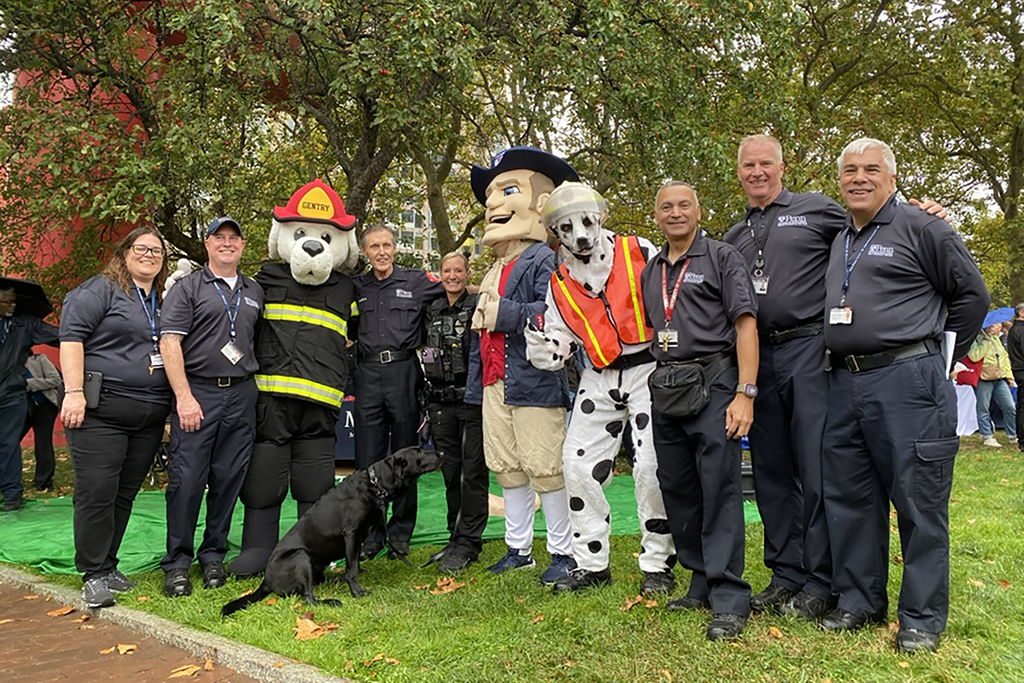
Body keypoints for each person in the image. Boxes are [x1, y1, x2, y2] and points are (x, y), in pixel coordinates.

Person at [821, 138, 988, 653]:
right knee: (851, 498)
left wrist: (935, 356)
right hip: (844, 381)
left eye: (872, 169)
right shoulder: (840, 238)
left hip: (907, 380)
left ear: (891, 178)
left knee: (919, 502)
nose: (859, 178)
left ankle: (919, 618)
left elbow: (972, 296)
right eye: (849, 170)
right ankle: (859, 600)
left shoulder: (924, 227)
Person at [524, 182, 675, 596]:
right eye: (567, 228)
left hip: (648, 367)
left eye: (586, 223)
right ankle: (591, 563)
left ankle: (658, 562)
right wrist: (542, 347)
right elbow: (559, 341)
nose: (581, 236)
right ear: (557, 233)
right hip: (599, 373)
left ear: (600, 219)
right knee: (576, 465)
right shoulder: (558, 283)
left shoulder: (639, 251)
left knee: (650, 467)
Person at [721, 134, 847, 619]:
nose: (757, 172)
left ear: (781, 167)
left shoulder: (817, 210)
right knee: (771, 471)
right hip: (757, 358)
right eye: (748, 165)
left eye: (765, 163)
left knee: (813, 468)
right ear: (739, 173)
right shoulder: (732, 237)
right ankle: (786, 573)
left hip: (810, 348)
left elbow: (873, 225)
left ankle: (821, 578)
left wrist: (921, 213)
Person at [640, 181, 758, 641]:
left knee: (719, 489)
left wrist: (745, 393)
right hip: (668, 386)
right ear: (656, 216)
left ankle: (730, 597)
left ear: (698, 210)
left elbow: (745, 324)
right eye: (665, 206)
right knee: (679, 487)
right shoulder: (652, 270)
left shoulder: (722, 257)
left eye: (683, 205)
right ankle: (701, 580)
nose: (674, 213)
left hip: (715, 383)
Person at [229, 180, 360, 578]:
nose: (312, 244)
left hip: (320, 407)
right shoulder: (264, 281)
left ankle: (311, 553)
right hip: (271, 404)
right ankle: (258, 548)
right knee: (264, 481)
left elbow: (360, 330)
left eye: (324, 236)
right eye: (300, 233)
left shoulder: (347, 289)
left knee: (314, 486)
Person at [467, 146, 578, 585]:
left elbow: (557, 313)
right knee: (508, 468)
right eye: (491, 194)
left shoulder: (542, 259)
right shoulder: (496, 266)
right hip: (496, 384)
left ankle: (562, 552)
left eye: (506, 190)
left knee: (546, 468)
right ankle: (518, 548)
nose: (492, 203)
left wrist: (505, 314)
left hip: (533, 381)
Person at [58, 226, 172, 607]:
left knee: (124, 493)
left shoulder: (161, 298)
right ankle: (92, 573)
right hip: (100, 411)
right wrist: (73, 393)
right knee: (97, 492)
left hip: (149, 414)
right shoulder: (99, 290)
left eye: (156, 251)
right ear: (125, 252)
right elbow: (71, 338)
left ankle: (108, 564)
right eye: (141, 248)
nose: (149, 255)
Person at [158, 216, 264, 598]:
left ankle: (213, 554)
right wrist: (183, 397)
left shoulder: (254, 290)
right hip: (198, 392)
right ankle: (178, 562)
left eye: (234, 238)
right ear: (206, 244)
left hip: (241, 394)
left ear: (242, 246)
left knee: (228, 479)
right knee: (187, 481)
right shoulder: (187, 288)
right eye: (219, 237)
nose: (227, 243)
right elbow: (169, 343)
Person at [352, 224, 443, 560]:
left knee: (406, 454)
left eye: (387, 245)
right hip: (367, 373)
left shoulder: (416, 281)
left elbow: (452, 289)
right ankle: (371, 534)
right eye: (374, 247)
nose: (381, 252)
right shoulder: (356, 286)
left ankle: (400, 533)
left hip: (404, 372)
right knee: (368, 458)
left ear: (395, 247)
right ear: (365, 251)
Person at [420, 251, 489, 573]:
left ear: (466, 273)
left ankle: (469, 541)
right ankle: (454, 536)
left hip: (470, 400)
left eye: (458, 271)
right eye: (447, 271)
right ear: (440, 273)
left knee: (472, 472)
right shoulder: (430, 309)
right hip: (439, 401)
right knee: (449, 472)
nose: (452, 276)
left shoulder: (475, 306)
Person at [0, 283, 59, 512]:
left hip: (12, 395)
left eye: (15, 301)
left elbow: (61, 336)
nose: (13, 305)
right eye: (8, 301)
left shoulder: (26, 323)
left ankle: (13, 494)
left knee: (7, 443)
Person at [968, 322, 1017, 447]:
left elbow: (1004, 358)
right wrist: (985, 342)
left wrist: (1009, 377)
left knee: (1009, 406)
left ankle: (1012, 434)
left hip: (1000, 378)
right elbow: (974, 357)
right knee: (983, 408)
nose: (998, 327)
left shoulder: (997, 340)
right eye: (994, 325)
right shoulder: (975, 340)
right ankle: (987, 435)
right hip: (983, 378)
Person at [21, 353, 62, 491]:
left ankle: (43, 481)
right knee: (9, 441)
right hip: (22, 407)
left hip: (45, 406)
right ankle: (9, 479)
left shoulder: (39, 359)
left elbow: (55, 380)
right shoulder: (9, 362)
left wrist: (29, 384)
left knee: (43, 442)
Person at [1007, 303, 1024, 452]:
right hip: (1022, 369)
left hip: (1018, 370)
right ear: (1021, 313)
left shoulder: (1013, 330)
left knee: (1020, 405)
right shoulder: (1021, 330)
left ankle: (1021, 438)